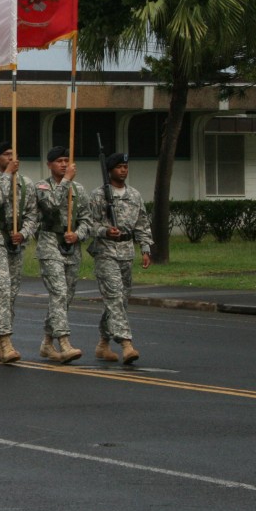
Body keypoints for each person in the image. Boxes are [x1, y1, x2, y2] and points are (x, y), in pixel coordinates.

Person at [88, 152, 153, 364]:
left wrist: (145, 248)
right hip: (106, 250)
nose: (123, 170)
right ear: (110, 170)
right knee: (114, 296)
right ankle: (126, 344)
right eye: (119, 167)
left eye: (126, 166)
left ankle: (103, 343)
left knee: (121, 301)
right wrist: (105, 231)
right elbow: (89, 224)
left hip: (126, 251)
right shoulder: (98, 195)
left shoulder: (134, 195)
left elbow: (142, 223)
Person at [0, 141, 39, 363]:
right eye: (6, 154)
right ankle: (5, 341)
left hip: (16, 242)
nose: (12, 158)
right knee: (2, 289)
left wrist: (23, 233)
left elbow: (33, 214)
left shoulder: (27, 184)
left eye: (14, 154)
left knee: (11, 294)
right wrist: (7, 175)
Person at [35, 146, 92, 364]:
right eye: (59, 161)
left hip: (71, 247)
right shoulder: (42, 186)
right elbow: (50, 206)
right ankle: (64, 341)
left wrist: (78, 234)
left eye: (66, 160)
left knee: (65, 297)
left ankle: (47, 342)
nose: (63, 164)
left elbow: (87, 219)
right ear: (49, 164)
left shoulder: (78, 189)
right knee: (58, 292)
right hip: (50, 243)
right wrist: (66, 181)